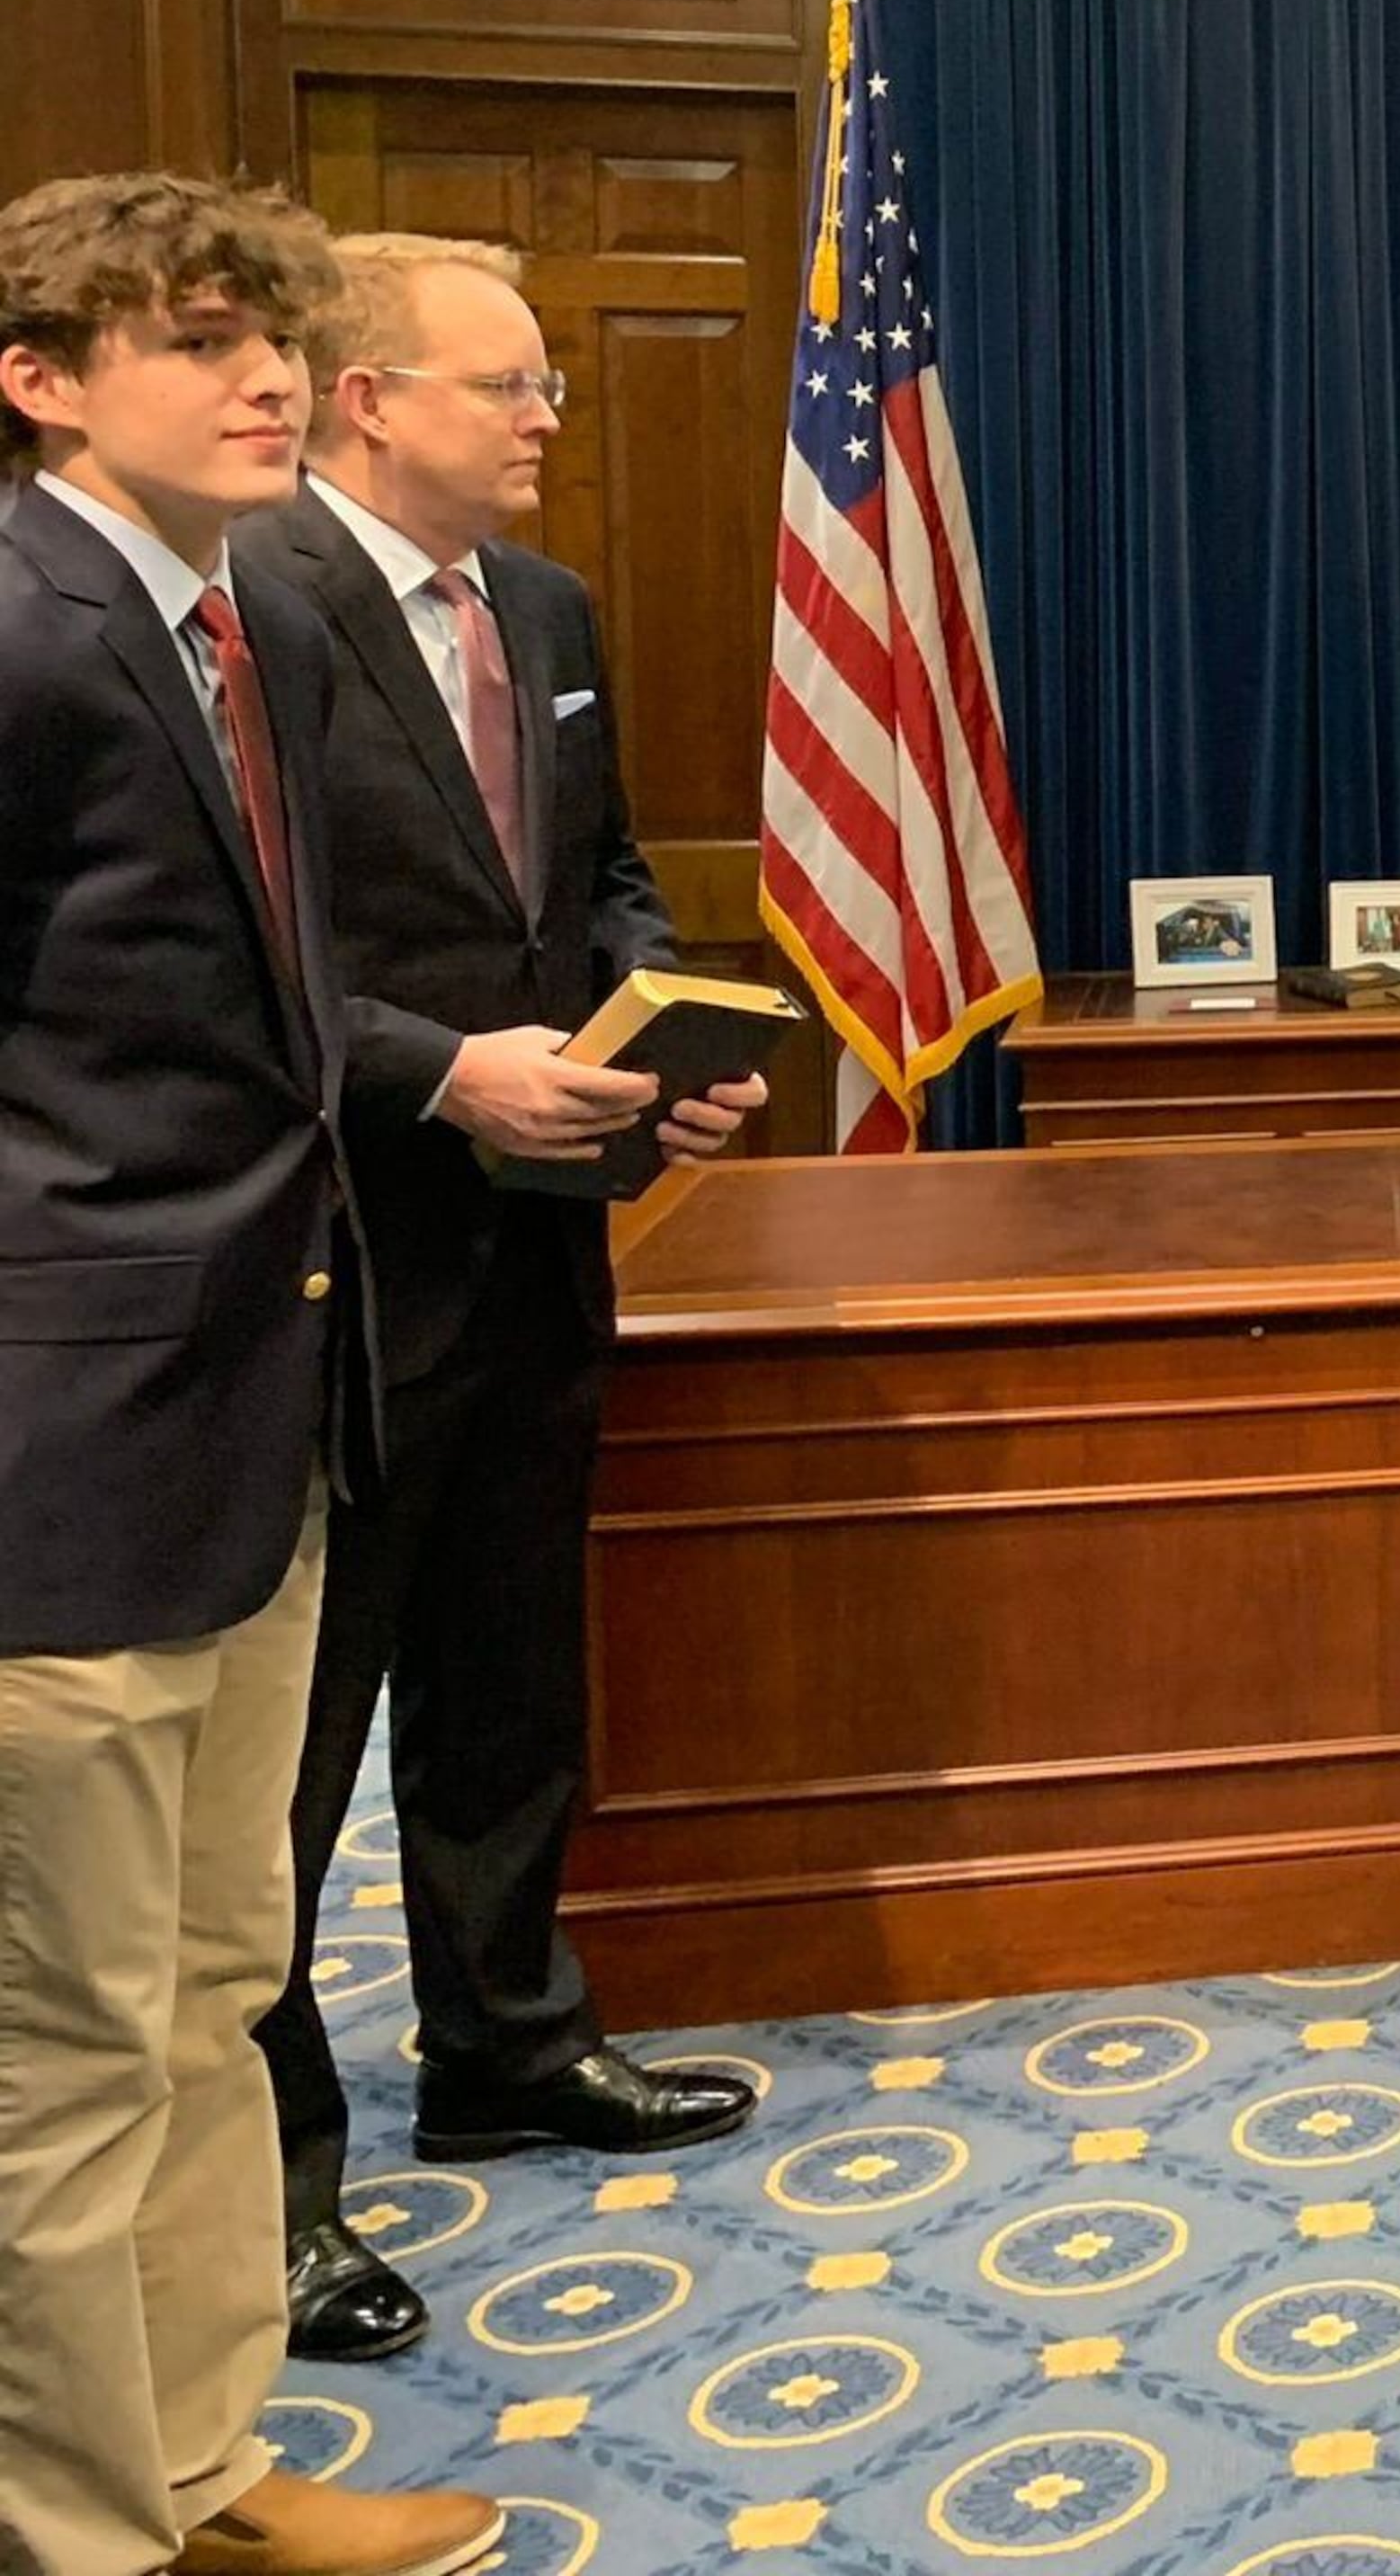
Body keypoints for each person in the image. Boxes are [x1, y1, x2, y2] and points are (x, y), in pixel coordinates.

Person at [0, 174, 501, 2576]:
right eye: (198, 337)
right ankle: (77, 2534)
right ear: (45, 376)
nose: (265, 376)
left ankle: (199, 2474)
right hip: (59, 1457)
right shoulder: (18, 632)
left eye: (280, 336)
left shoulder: (255, 626)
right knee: (69, 2050)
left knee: (216, 1983)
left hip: (268, 1418)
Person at [241, 232, 770, 2362]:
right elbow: (235, 953)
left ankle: (508, 2046)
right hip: (332, 1258)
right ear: (370, 398)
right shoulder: (245, 610)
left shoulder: (540, 610)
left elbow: (606, 877)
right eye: (509, 383)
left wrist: (656, 1072)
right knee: (288, 1750)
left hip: (543, 1245)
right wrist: (446, 1073)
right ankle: (268, 2188)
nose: (548, 413)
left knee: (505, 1671)